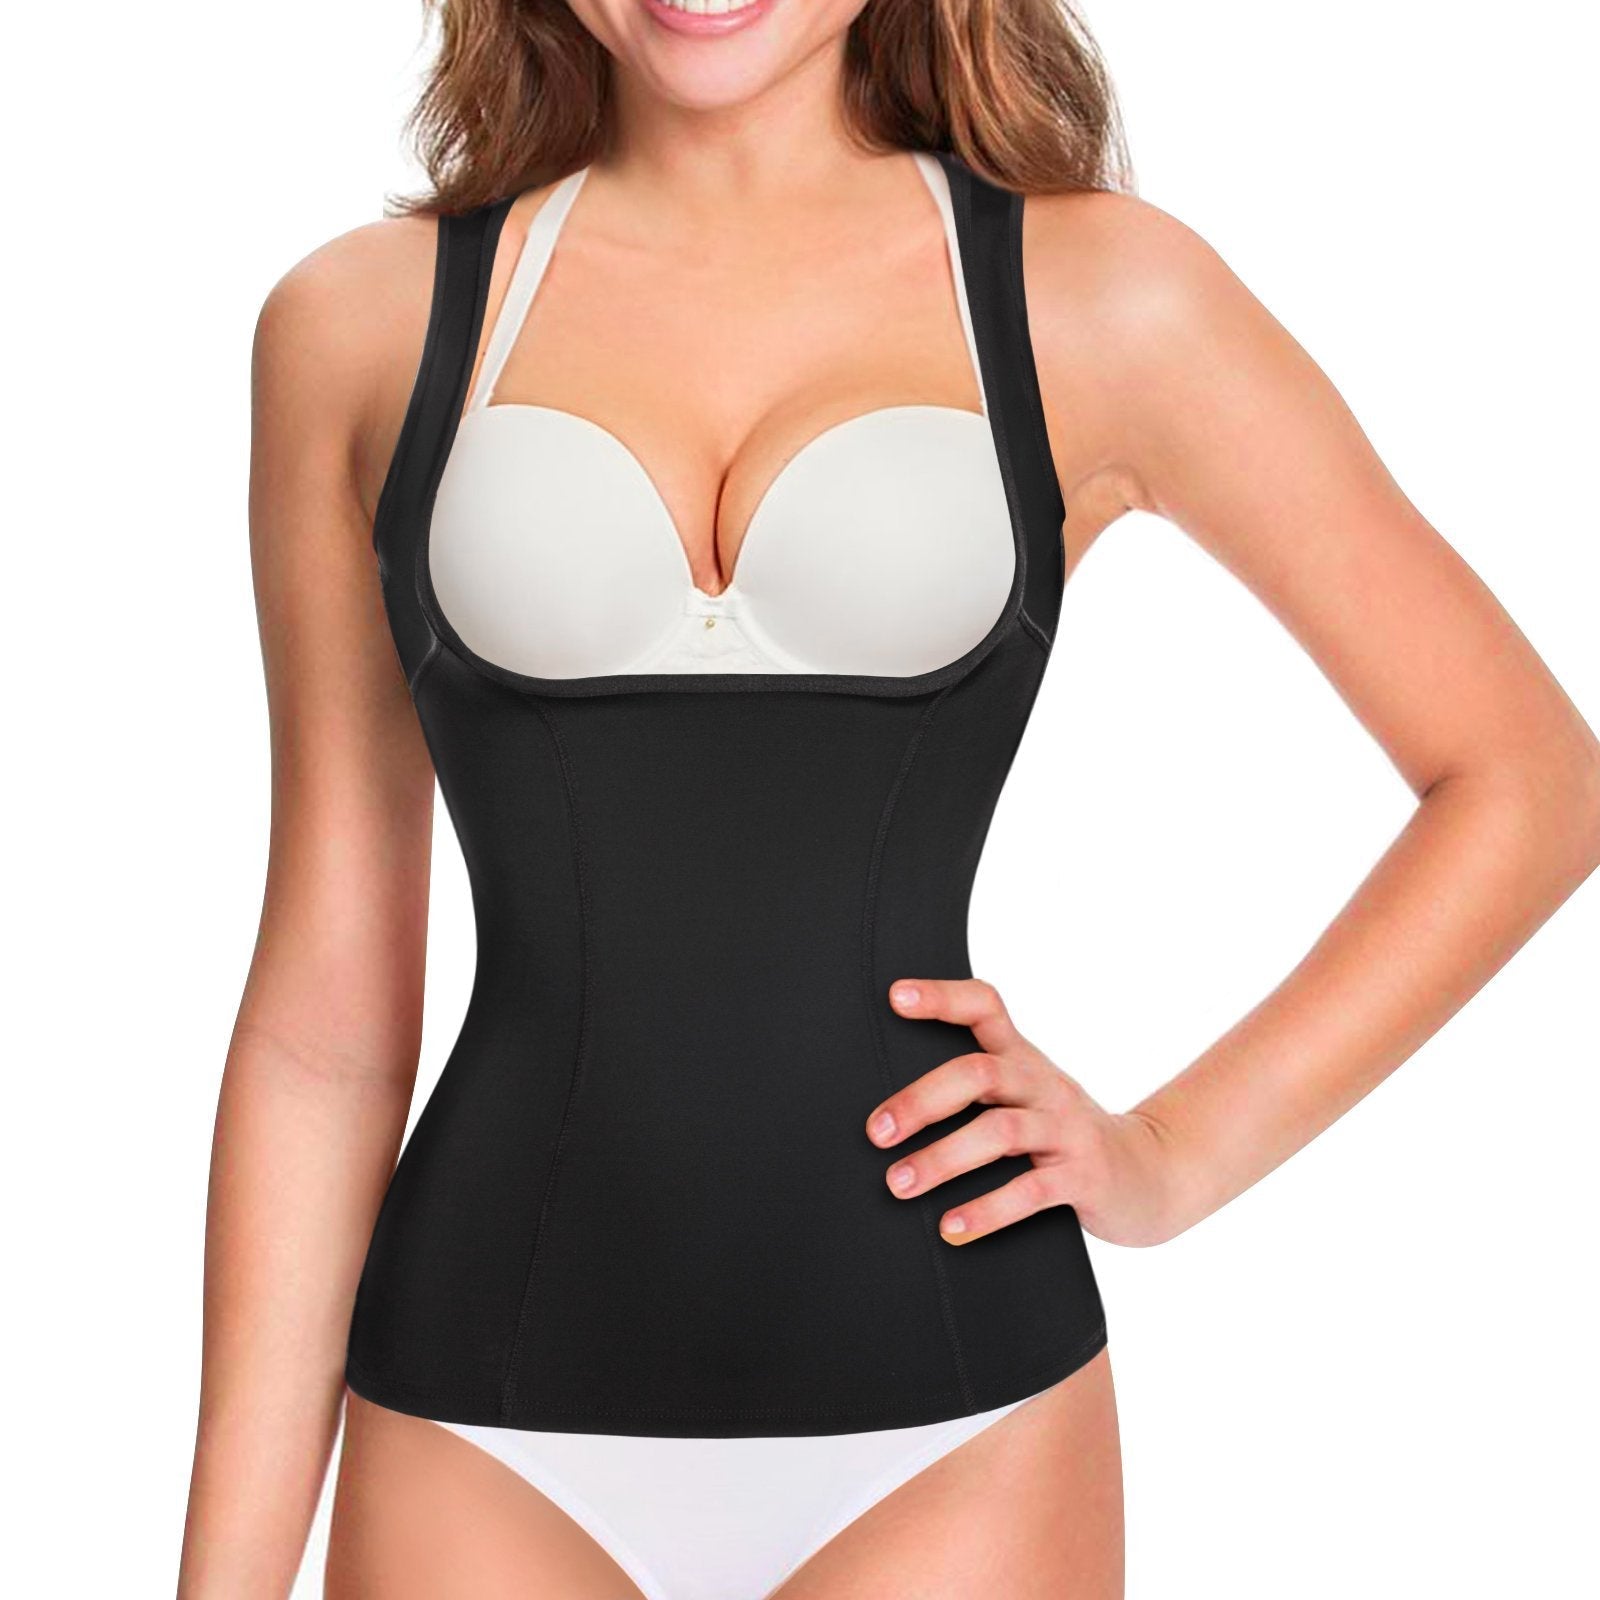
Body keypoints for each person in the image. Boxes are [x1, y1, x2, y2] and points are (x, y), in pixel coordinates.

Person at [177, 2, 1600, 1596]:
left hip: (958, 1428)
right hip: (479, 1423)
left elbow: (1528, 778)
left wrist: (1171, 1154)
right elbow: (324, 1037)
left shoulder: (1102, 298)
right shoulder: (359, 326)